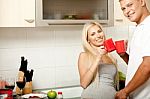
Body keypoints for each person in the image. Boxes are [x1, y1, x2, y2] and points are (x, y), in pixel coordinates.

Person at [115, 0, 150, 99]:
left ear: (142, 2)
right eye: (123, 9)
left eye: (130, 5)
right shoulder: (139, 28)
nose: (127, 11)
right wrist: (124, 55)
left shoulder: (148, 27)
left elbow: (147, 66)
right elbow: (138, 64)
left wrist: (125, 91)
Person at [78, 21, 119, 99]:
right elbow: (83, 84)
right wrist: (98, 57)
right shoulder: (84, 55)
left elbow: (112, 84)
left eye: (99, 31)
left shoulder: (111, 57)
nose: (98, 35)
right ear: (88, 40)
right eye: (93, 34)